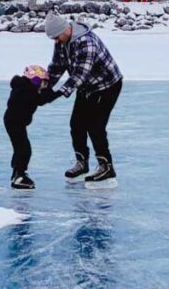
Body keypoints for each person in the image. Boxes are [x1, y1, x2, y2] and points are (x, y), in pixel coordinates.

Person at [43, 11, 124, 186]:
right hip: (87, 86)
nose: (55, 42)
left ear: (64, 29)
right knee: (77, 124)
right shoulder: (62, 41)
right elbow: (57, 66)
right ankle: (82, 162)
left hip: (107, 85)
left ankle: (106, 166)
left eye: (56, 37)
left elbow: (79, 75)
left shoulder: (86, 42)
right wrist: (44, 86)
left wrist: (58, 93)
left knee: (96, 126)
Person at [3, 64, 56, 190]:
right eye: (39, 82)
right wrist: (58, 93)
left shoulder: (24, 86)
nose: (41, 85)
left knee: (21, 148)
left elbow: (39, 98)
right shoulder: (25, 89)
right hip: (14, 122)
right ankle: (19, 175)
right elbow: (40, 100)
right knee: (24, 149)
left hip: (16, 122)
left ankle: (17, 172)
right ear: (32, 79)